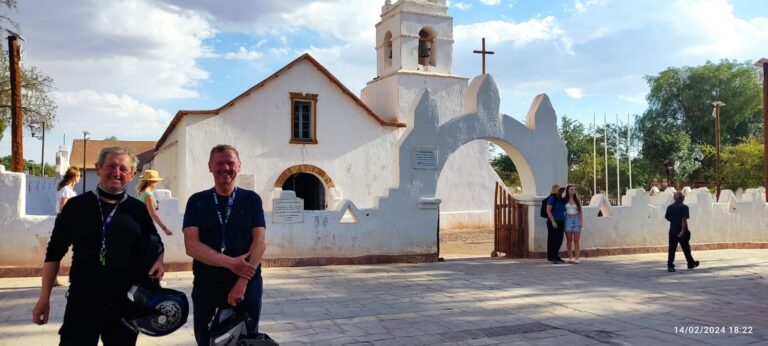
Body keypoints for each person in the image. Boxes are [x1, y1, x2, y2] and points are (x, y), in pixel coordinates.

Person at [32, 147, 165, 345]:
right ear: (98, 169)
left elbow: (155, 241)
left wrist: (159, 261)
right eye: (111, 166)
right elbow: (54, 253)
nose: (116, 173)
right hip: (83, 302)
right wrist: (44, 299)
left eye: (123, 168)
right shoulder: (76, 207)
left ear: (132, 175)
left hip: (125, 305)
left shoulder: (137, 210)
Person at [183, 144, 267, 345]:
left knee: (245, 340)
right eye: (219, 163)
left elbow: (260, 243)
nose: (225, 168)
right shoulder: (197, 201)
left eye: (230, 163)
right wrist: (230, 263)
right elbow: (191, 246)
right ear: (210, 166)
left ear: (239, 166)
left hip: (247, 286)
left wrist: (241, 282)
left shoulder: (251, 199)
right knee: (207, 340)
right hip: (207, 286)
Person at [664, 191, 699, 272]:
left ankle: (670, 265)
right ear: (681, 198)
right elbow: (684, 220)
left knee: (672, 249)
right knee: (686, 248)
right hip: (682, 231)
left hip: (672, 230)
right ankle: (690, 263)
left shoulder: (669, 207)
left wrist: (674, 221)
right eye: (683, 197)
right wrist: (682, 231)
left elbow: (667, 218)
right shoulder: (684, 207)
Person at [136, 169, 173, 236]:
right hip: (146, 228)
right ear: (151, 182)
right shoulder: (148, 195)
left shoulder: (141, 193)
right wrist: (165, 229)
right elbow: (153, 215)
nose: (156, 183)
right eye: (156, 181)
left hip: (141, 226)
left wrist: (156, 205)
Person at [545, 184, 566, 264]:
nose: (560, 191)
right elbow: (548, 211)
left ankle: (556, 255)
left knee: (559, 239)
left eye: (561, 190)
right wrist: (553, 221)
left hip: (561, 221)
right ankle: (551, 257)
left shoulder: (560, 199)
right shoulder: (552, 198)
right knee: (552, 240)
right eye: (559, 190)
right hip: (553, 222)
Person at [563, 185, 583, 263]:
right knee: (569, 240)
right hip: (567, 219)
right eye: (571, 189)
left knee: (576, 240)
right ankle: (570, 257)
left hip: (576, 219)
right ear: (568, 190)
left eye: (574, 189)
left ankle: (577, 258)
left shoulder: (577, 200)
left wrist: (581, 222)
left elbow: (580, 212)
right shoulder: (564, 200)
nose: (573, 190)